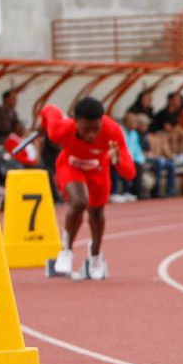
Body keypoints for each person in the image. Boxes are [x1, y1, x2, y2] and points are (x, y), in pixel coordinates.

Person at [39, 97, 136, 280]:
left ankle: (95, 255)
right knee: (79, 202)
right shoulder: (60, 130)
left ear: (101, 121)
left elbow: (130, 173)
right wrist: (43, 124)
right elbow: (50, 109)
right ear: (75, 123)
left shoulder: (112, 131)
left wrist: (117, 160)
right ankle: (66, 251)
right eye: (86, 130)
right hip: (71, 166)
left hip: (98, 171)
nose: (91, 135)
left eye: (95, 129)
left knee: (97, 213)